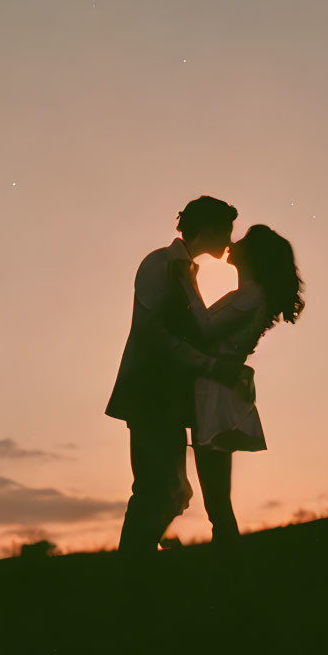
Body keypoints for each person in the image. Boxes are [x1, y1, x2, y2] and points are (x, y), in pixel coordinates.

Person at [106, 196, 247, 556]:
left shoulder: (185, 271)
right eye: (227, 230)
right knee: (156, 488)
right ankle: (132, 573)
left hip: (168, 397)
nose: (231, 239)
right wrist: (210, 366)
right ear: (210, 228)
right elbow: (150, 332)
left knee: (173, 491)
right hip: (149, 392)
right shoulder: (160, 263)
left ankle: (138, 567)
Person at [169, 224, 305, 545]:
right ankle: (228, 574)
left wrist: (185, 279)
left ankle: (229, 578)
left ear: (255, 256)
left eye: (244, 240)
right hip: (215, 392)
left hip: (216, 396)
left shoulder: (251, 296)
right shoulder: (248, 295)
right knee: (217, 504)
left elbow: (203, 328)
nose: (234, 242)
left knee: (217, 505)